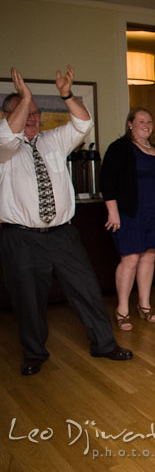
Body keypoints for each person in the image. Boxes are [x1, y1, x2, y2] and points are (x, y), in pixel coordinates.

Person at [0, 66, 132, 375]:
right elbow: (9, 137)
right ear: (8, 116)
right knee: (28, 299)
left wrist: (67, 95)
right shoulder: (3, 148)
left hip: (63, 235)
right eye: (25, 112)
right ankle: (34, 353)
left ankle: (104, 343)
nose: (33, 117)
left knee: (86, 287)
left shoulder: (53, 140)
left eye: (35, 113)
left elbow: (83, 122)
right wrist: (26, 96)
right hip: (21, 237)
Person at [100, 107, 155, 331]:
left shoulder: (154, 149)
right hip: (129, 213)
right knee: (130, 259)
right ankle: (122, 310)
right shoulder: (120, 147)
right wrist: (112, 212)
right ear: (130, 123)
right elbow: (107, 181)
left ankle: (145, 305)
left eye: (149, 121)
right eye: (141, 121)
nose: (146, 125)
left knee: (149, 257)